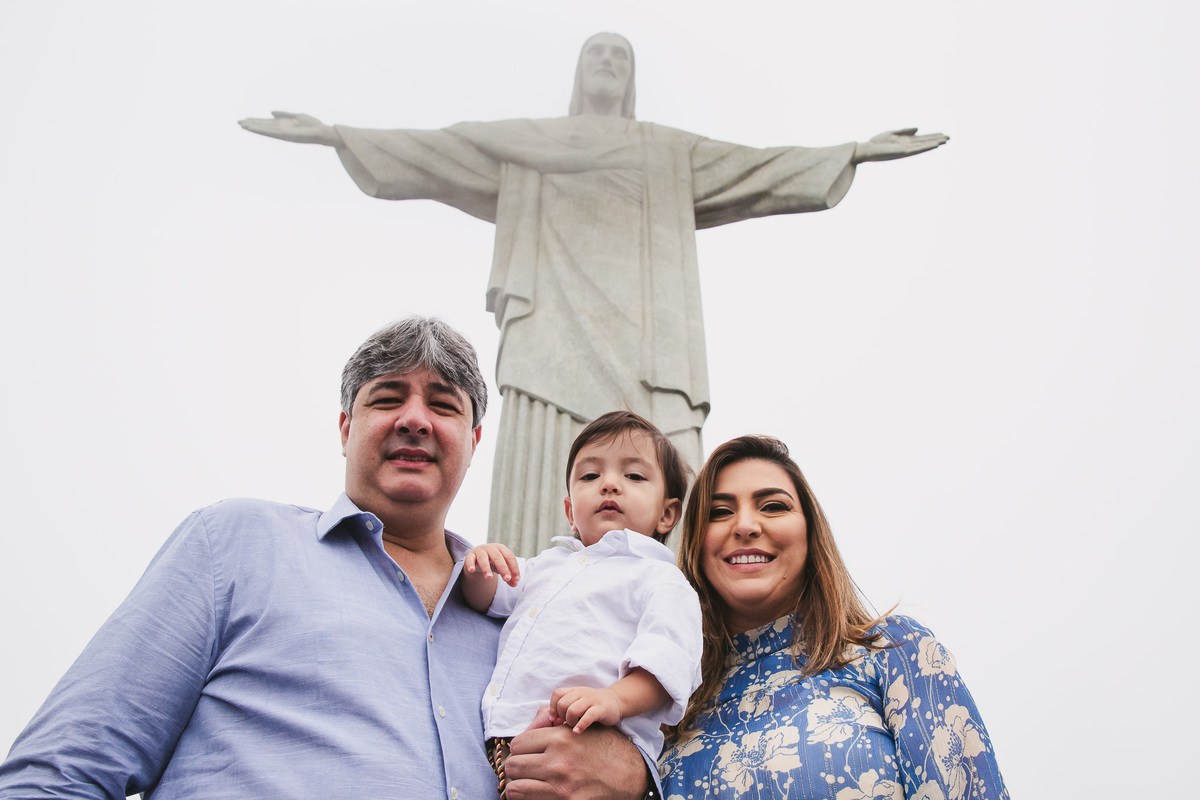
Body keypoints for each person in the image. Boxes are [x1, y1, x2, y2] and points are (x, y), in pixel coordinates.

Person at [238, 32, 950, 556]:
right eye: (597, 55)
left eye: (621, 57)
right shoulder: (529, 142)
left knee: (664, 464)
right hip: (552, 330)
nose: (608, 64)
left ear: (631, 79)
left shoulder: (665, 150)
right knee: (543, 496)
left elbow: (755, 169)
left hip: (651, 342)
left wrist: (848, 152)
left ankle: (682, 639)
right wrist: (337, 136)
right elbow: (439, 149)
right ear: (580, 75)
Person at [0, 317, 655, 800]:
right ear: (346, 428)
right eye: (388, 397)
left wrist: (631, 774)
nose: (416, 419)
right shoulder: (236, 545)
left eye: (443, 405)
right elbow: (60, 774)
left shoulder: (520, 618)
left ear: (474, 441)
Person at [659, 435, 1008, 800]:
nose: (745, 525)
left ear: (811, 533)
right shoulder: (669, 707)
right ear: (696, 543)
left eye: (773, 506)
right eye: (719, 512)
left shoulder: (895, 652)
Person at [461, 411, 703, 797]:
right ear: (571, 510)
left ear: (667, 513)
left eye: (634, 476)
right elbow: (487, 597)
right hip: (501, 743)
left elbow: (667, 667)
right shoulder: (545, 565)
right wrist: (481, 566)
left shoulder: (661, 579)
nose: (609, 484)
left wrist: (613, 699)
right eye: (590, 476)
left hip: (587, 743)